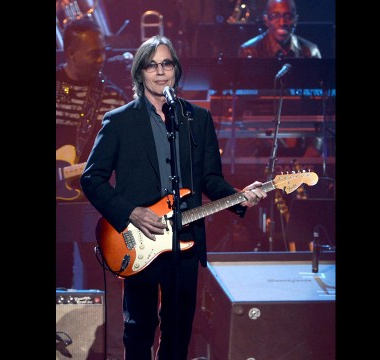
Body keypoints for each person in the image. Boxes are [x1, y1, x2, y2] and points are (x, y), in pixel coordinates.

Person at [80, 35, 267, 360]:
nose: (160, 71)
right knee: (139, 327)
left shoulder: (198, 119)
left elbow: (209, 177)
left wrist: (239, 197)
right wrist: (131, 212)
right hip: (139, 238)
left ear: (176, 71)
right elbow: (91, 179)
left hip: (185, 240)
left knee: (179, 332)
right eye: (152, 65)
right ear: (140, 72)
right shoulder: (119, 121)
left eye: (166, 63)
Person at [55, 16, 129, 288]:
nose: (102, 59)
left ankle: (100, 329)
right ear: (70, 53)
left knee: (99, 275)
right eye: (94, 53)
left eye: (104, 51)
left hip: (92, 201)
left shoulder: (112, 96)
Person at [238, 0, 321, 59]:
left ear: (295, 20)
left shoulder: (311, 51)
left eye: (288, 16)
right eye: (275, 16)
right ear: (266, 20)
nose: (282, 23)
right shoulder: (250, 51)